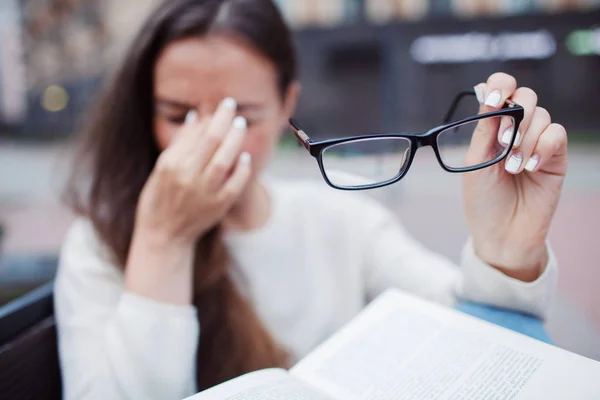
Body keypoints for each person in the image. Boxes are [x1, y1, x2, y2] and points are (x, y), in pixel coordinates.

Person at [54, 0, 567, 399]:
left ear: (286, 109)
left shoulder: (339, 217)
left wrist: (506, 250)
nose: (209, 141)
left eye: (242, 119)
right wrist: (162, 239)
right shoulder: (101, 244)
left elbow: (471, 337)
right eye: (177, 114)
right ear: (144, 113)